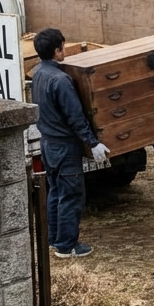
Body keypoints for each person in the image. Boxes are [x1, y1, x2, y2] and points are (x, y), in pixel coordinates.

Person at [30, 28, 109, 259]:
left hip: (48, 143)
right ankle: (66, 245)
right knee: (71, 195)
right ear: (57, 50)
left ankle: (54, 239)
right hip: (64, 146)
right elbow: (75, 116)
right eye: (63, 47)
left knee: (55, 191)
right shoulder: (61, 80)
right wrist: (93, 142)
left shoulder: (38, 73)